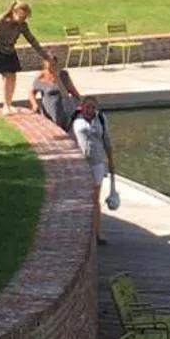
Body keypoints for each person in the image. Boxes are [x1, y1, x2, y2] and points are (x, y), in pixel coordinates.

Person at [0, 0, 43, 110]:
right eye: (22, 16)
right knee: (6, 77)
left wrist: (44, 54)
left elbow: (32, 40)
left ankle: (9, 102)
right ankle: (5, 105)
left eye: (25, 17)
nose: (23, 20)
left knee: (13, 76)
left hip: (10, 50)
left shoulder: (22, 25)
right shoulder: (1, 20)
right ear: (14, 12)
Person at [71, 94, 117, 246]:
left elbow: (107, 141)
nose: (90, 110)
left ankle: (97, 232)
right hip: (80, 163)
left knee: (94, 199)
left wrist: (111, 161)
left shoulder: (101, 120)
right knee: (80, 198)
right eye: (87, 107)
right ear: (82, 107)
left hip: (97, 162)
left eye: (93, 107)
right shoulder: (75, 120)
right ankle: (80, 232)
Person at [30, 52, 81, 131]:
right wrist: (34, 104)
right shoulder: (41, 75)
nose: (52, 68)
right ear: (45, 64)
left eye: (54, 65)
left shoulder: (63, 75)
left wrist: (78, 105)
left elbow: (73, 92)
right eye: (50, 65)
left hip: (63, 111)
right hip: (48, 110)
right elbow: (31, 92)